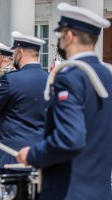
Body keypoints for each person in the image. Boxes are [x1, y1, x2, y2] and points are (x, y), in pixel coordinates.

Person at [16, 3, 112, 200]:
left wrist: (33, 154)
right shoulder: (106, 74)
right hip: (100, 190)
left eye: (60, 34)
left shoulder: (70, 76)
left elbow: (70, 138)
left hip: (68, 190)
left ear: (68, 35)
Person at [0, 34, 48, 174]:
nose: (13, 57)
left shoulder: (12, 79)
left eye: (14, 53)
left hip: (13, 155)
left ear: (20, 52)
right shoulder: (50, 78)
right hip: (41, 153)